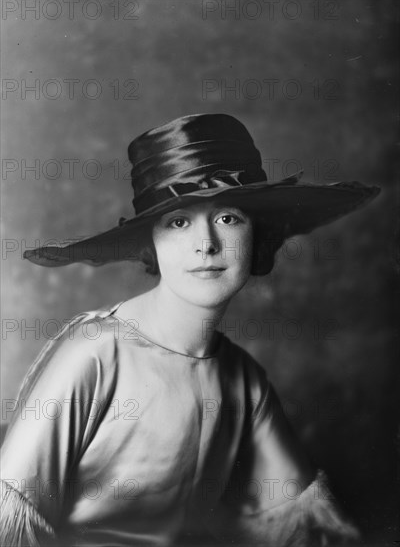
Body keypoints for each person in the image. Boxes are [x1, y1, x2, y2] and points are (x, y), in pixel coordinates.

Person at [0, 114, 380, 547]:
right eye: (179, 221)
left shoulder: (243, 380)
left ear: (258, 233)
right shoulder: (93, 354)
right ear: (152, 243)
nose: (206, 244)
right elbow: (9, 522)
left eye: (228, 219)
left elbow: (305, 529)